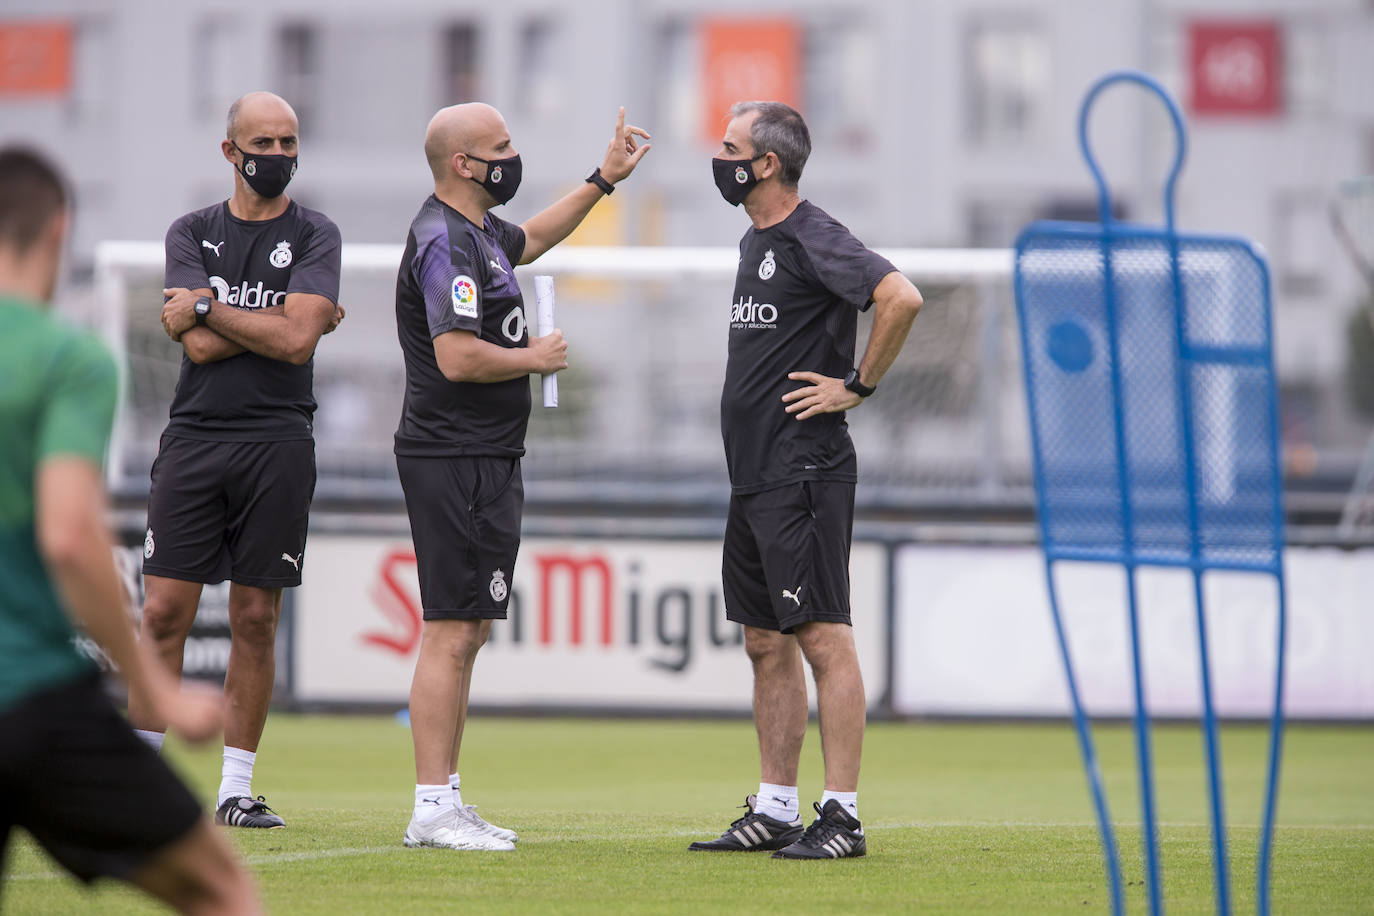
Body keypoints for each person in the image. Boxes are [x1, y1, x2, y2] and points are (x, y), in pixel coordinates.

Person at [0, 146, 261, 913]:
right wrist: (153, 689)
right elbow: (71, 539)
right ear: (59, 231)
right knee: (222, 891)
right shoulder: (66, 360)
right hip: (32, 696)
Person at [395, 103, 649, 850]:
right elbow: (457, 356)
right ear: (463, 165)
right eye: (501, 147)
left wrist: (603, 180)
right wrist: (533, 359)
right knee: (449, 628)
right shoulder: (444, 240)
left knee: (468, 628)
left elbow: (533, 236)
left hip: (488, 456)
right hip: (452, 455)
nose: (514, 155)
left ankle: (448, 796)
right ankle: (430, 806)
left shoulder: (481, 234)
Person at [688, 102, 923, 860]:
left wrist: (857, 384)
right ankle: (778, 808)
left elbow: (901, 296)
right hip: (754, 476)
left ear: (765, 164)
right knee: (765, 640)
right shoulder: (756, 237)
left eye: (729, 147)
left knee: (822, 635)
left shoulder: (811, 233)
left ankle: (843, 817)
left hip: (804, 472)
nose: (717, 157)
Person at [132, 91, 344, 829]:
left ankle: (235, 790)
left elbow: (294, 344)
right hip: (194, 440)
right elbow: (210, 346)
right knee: (163, 613)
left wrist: (202, 307)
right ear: (231, 151)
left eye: (289, 142)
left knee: (257, 617)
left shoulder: (318, 233)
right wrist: (281, 315)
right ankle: (143, 783)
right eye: (265, 142)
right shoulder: (191, 230)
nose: (279, 155)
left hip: (279, 443)